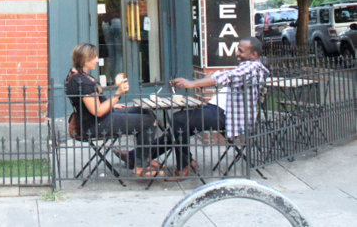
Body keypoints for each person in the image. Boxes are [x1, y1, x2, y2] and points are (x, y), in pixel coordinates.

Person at [164, 36, 269, 178]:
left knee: (179, 120)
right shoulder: (250, 67)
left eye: (241, 51)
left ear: (254, 55)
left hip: (225, 115)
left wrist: (192, 83)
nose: (237, 53)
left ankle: (183, 167)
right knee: (179, 129)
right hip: (218, 110)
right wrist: (209, 77)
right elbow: (227, 75)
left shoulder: (251, 68)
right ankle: (139, 157)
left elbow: (227, 77)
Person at [65, 43, 162, 177]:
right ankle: (140, 166)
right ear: (85, 60)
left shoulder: (76, 76)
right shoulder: (82, 82)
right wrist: (117, 94)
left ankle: (141, 158)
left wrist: (110, 104)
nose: (97, 60)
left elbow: (95, 103)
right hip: (97, 124)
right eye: (94, 57)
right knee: (148, 121)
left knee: (145, 112)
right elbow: (97, 111)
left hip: (102, 117)